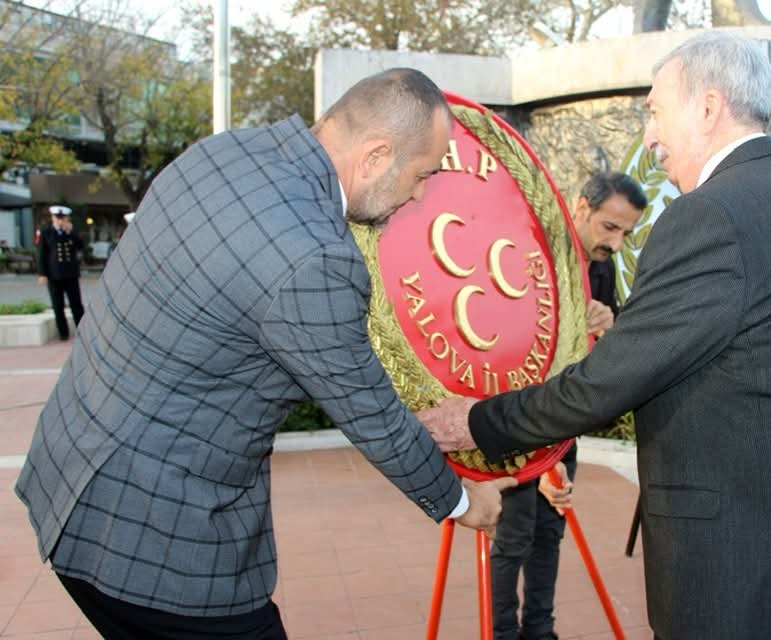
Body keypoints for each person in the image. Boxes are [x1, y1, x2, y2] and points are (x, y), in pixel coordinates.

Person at [16, 68, 515, 640]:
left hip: (72, 482)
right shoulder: (315, 257)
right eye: (422, 173)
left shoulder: (225, 152)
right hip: (157, 545)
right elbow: (369, 412)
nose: (421, 194)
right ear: (376, 156)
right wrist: (459, 501)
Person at [421, 32, 771, 640]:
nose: (649, 135)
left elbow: (610, 381)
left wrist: (476, 421)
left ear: (707, 108)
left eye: (655, 110)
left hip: (737, 567)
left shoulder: (712, 216)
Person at [491, 171, 645, 640]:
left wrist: (607, 321)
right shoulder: (534, 252)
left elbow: (596, 343)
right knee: (514, 537)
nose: (616, 243)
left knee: (550, 530)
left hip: (564, 415)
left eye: (625, 233)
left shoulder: (601, 263)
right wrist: (535, 463)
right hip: (519, 414)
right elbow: (510, 346)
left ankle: (540, 631)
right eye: (609, 227)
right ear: (581, 208)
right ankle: (503, 633)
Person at [36, 204, 85, 340]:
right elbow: (41, 254)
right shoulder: (46, 232)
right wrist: (42, 273)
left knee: (76, 304)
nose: (60, 220)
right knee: (58, 305)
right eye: (58, 218)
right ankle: (63, 333)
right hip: (54, 274)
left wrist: (71, 233)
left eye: (63, 218)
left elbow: (80, 247)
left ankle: (82, 331)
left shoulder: (72, 232)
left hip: (70, 273)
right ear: (53, 218)